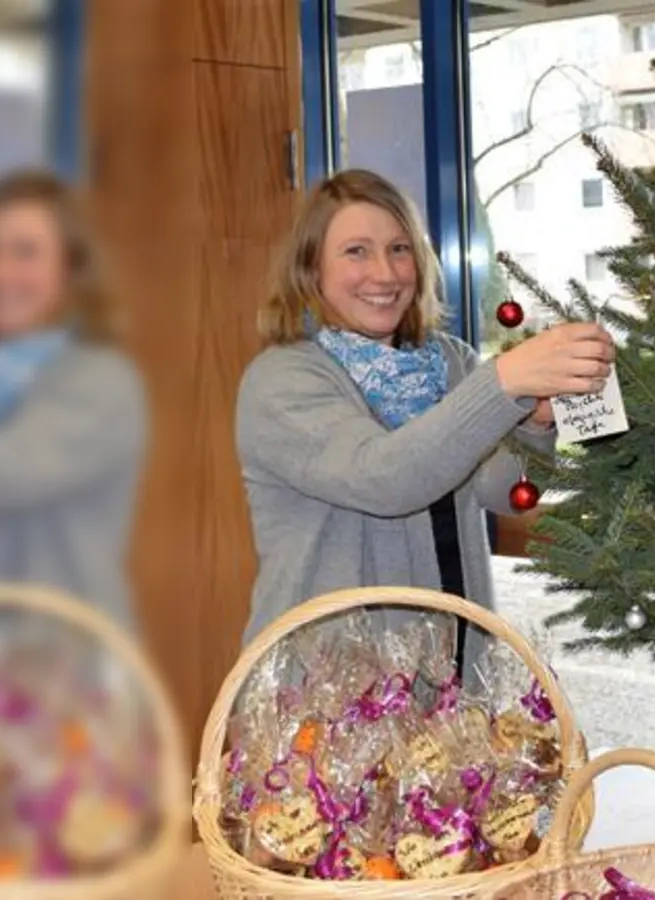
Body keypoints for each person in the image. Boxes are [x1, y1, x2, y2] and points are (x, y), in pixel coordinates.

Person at [236, 169, 614, 648]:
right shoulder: (282, 380)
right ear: (311, 269)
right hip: (330, 691)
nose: (386, 273)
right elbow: (386, 478)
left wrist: (535, 424)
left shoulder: (451, 362)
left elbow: (501, 493)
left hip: (453, 671)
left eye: (400, 248)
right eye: (357, 251)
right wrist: (504, 382)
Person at [0, 170, 148, 633]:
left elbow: (2, 476)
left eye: (25, 253)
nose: (0, 271)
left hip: (61, 667)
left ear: (69, 269)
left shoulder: (100, 382)